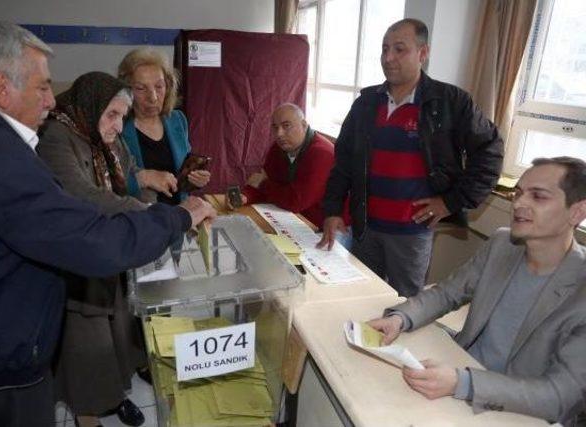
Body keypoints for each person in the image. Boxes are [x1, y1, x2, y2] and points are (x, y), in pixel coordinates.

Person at [0, 20, 215, 427]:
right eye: (41, 87)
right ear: (1, 87)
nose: (51, 101)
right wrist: (176, 216)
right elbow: (91, 237)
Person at [367, 157, 586, 426]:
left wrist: (464, 383)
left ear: (577, 212)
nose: (519, 204)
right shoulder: (502, 243)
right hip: (460, 372)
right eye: (518, 193)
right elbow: (447, 293)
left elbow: (559, 396)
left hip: (519, 411)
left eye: (538, 196)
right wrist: (400, 318)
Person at [318, 18, 503, 297]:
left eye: (399, 49)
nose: (388, 58)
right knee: (361, 295)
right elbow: (343, 162)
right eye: (384, 49)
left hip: (411, 233)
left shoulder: (450, 102)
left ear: (423, 53)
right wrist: (332, 211)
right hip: (365, 226)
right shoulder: (366, 104)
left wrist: (450, 201)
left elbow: (490, 151)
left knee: (405, 303)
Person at [37, 72, 156, 427]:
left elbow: (131, 175)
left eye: (122, 116)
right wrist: (148, 215)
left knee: (117, 331)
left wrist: (148, 197)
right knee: (85, 342)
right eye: (113, 115)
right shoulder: (56, 138)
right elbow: (83, 195)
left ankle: (114, 394)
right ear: (90, 108)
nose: (119, 126)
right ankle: (86, 412)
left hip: (108, 251)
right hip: (76, 260)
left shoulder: (102, 136)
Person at [118, 47, 210, 205]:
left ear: (168, 88)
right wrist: (143, 178)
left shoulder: (177, 120)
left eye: (159, 87)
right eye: (141, 88)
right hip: (140, 218)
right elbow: (108, 183)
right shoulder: (116, 127)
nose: (152, 97)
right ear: (126, 91)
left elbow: (182, 176)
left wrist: (194, 180)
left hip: (179, 215)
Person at [236, 103, 335, 228]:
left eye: (286, 126)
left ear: (304, 125)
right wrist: (245, 196)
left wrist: (262, 184)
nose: (279, 134)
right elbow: (264, 182)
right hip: (294, 216)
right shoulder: (278, 148)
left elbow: (296, 201)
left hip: (327, 225)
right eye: (275, 127)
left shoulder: (322, 154)